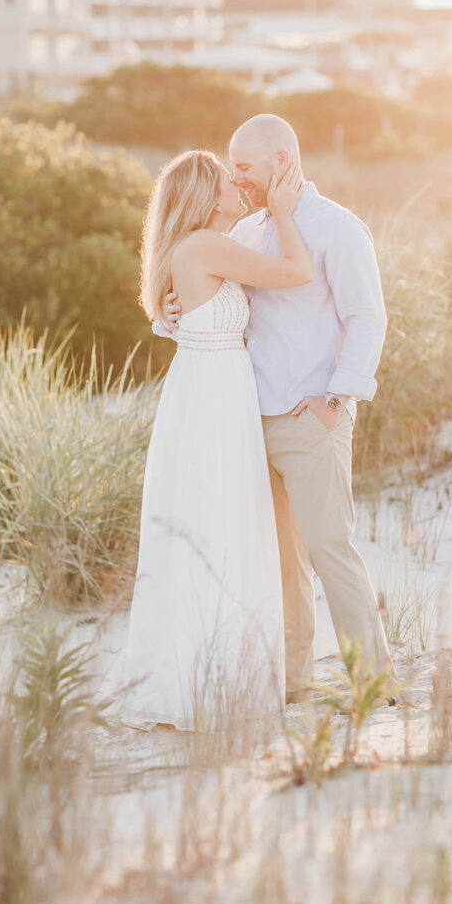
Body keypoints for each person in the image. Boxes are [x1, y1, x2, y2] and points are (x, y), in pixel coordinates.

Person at [161, 115, 394, 701]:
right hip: (246, 422)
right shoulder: (241, 234)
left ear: (282, 161)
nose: (236, 179)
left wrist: (337, 398)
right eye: (231, 168)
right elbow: (221, 308)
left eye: (244, 167)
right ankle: (292, 685)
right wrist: (174, 305)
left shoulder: (339, 229)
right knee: (281, 564)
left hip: (309, 419)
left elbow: (368, 319)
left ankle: (373, 684)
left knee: (329, 550)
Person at [121, 148, 311, 731]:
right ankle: (211, 683)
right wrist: (282, 212)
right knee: (219, 523)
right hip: (212, 396)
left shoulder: (199, 249)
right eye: (227, 181)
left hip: (211, 391)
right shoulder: (205, 245)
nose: (237, 186)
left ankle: (207, 676)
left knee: (213, 522)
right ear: (205, 197)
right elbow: (296, 272)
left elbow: (180, 311)